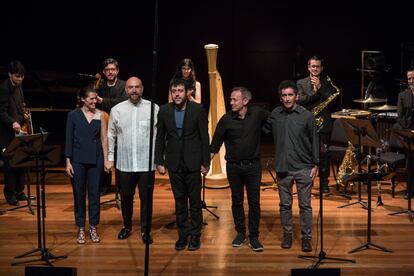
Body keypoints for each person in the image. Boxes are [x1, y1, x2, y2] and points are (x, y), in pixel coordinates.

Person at [210, 86, 269, 252]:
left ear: (245, 101)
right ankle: (241, 233)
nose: (231, 102)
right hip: (234, 167)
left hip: (253, 167)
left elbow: (276, 120)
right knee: (236, 201)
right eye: (230, 99)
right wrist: (205, 163)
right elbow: (215, 144)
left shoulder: (257, 113)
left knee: (254, 202)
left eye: (234, 99)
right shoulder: (226, 119)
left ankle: (254, 236)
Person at [263, 80, 319, 252]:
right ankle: (287, 235)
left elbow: (315, 141)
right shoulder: (275, 114)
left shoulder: (307, 116)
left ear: (297, 96)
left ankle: (306, 238)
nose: (287, 98)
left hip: (303, 167)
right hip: (283, 167)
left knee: (305, 205)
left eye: (290, 95)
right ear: (280, 98)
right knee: (285, 205)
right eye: (284, 95)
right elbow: (263, 130)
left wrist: (315, 164)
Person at [155, 78, 210, 251]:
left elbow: (204, 137)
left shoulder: (198, 109)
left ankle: (195, 235)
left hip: (193, 162)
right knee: (179, 202)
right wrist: (159, 161)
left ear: (187, 92)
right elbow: (160, 138)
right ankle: (182, 234)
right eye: (174, 91)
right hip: (173, 162)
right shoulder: (164, 111)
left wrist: (206, 162)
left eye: (180, 90)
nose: (177, 94)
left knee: (194, 202)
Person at [107, 76, 159, 244]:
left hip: (146, 164)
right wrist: (110, 159)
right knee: (126, 197)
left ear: (142, 88)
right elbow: (111, 135)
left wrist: (160, 160)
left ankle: (145, 230)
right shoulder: (117, 110)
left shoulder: (153, 108)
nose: (134, 90)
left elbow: (159, 136)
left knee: (146, 199)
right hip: (125, 164)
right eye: (130, 87)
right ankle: (127, 226)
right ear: (126, 89)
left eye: (137, 87)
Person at [65, 85, 110, 244]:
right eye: (91, 98)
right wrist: (68, 161)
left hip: (96, 159)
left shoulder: (101, 115)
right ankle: (81, 228)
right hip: (77, 160)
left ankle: (93, 226)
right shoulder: (73, 115)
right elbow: (68, 138)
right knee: (79, 194)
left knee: (94, 194)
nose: (94, 101)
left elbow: (104, 138)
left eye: (96, 98)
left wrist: (106, 159)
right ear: (83, 99)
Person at [297, 55, 336, 193]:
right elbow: (300, 100)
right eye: (313, 66)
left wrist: (320, 87)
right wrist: (316, 95)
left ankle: (324, 183)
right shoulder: (301, 83)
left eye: (317, 66)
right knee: (307, 153)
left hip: (324, 122)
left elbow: (333, 101)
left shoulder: (327, 82)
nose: (315, 69)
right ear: (308, 67)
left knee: (324, 154)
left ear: (321, 68)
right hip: (307, 122)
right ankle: (308, 182)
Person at [96, 58, 127, 196]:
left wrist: (104, 101)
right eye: (107, 70)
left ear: (117, 71)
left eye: (113, 69)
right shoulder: (99, 86)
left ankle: (121, 186)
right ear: (103, 72)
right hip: (103, 124)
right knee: (105, 153)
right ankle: (105, 185)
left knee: (119, 155)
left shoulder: (123, 85)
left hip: (120, 124)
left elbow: (123, 102)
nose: (110, 72)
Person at [0, 60, 28, 206]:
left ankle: (19, 191)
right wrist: (13, 122)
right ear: (10, 74)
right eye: (17, 76)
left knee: (21, 161)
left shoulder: (19, 85)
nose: (20, 79)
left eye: (22, 76)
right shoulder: (4, 88)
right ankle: (10, 194)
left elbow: (20, 105)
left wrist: (24, 115)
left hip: (18, 130)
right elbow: (1, 112)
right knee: (10, 165)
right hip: (6, 134)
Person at [395, 68, 414, 199]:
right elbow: (399, 117)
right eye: (409, 79)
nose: (411, 81)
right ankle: (410, 190)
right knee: (411, 163)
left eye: (413, 78)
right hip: (409, 134)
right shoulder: (402, 95)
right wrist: (409, 130)